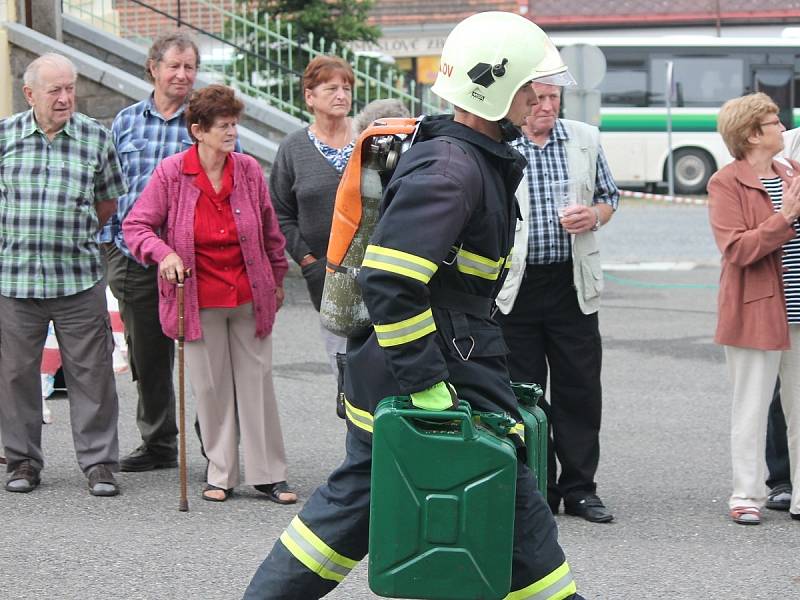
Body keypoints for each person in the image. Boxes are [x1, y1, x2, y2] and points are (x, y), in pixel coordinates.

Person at [243, 12, 584, 599]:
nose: (537, 96)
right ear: (497, 85)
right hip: (439, 369)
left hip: (436, 362)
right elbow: (391, 283)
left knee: (357, 505)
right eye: (529, 83)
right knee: (510, 509)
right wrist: (426, 385)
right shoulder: (452, 169)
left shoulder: (468, 157)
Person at [123, 84, 295, 504]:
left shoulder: (249, 171)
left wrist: (276, 280)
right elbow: (136, 226)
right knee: (212, 388)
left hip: (248, 294)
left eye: (235, 123)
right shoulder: (171, 173)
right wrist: (163, 254)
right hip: (197, 300)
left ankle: (269, 475)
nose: (232, 131)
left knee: (257, 384)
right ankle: (220, 473)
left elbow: (271, 232)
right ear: (198, 130)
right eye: (223, 125)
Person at [0, 53, 126, 496]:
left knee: (91, 374)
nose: (65, 97)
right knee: (15, 374)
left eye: (70, 88)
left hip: (77, 278)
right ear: (30, 93)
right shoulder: (5, 137)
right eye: (54, 90)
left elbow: (107, 202)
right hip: (16, 281)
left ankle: (99, 464)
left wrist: (68, 231)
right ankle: (22, 461)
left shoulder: (95, 137)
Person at [495, 82, 619, 523]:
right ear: (522, 100)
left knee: (580, 390)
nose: (546, 107)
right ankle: (538, 490)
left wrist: (594, 216)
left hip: (572, 283)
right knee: (523, 393)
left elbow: (609, 198)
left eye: (554, 99)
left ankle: (581, 489)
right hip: (516, 287)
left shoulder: (584, 138)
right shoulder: (501, 140)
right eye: (539, 99)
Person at [102, 30, 199, 472]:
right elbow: (107, 187)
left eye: (189, 67)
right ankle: (159, 442)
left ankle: (215, 447)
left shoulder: (201, 122)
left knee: (207, 356)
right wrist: (110, 245)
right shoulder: (125, 122)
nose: (182, 74)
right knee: (147, 355)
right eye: (174, 66)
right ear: (153, 68)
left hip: (193, 259)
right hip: (136, 257)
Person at [708, 92, 800, 524]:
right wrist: (785, 218)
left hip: (799, 309)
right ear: (751, 133)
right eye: (774, 122)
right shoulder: (726, 182)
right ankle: (745, 495)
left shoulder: (793, 172)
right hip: (755, 309)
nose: (783, 128)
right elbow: (737, 247)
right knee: (751, 406)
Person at [270, 56, 354, 382]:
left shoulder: (369, 140)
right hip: (325, 275)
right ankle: (357, 430)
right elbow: (280, 212)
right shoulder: (293, 149)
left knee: (384, 363)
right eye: (331, 88)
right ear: (309, 96)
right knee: (343, 369)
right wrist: (307, 260)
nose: (341, 95)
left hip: (376, 271)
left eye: (346, 88)